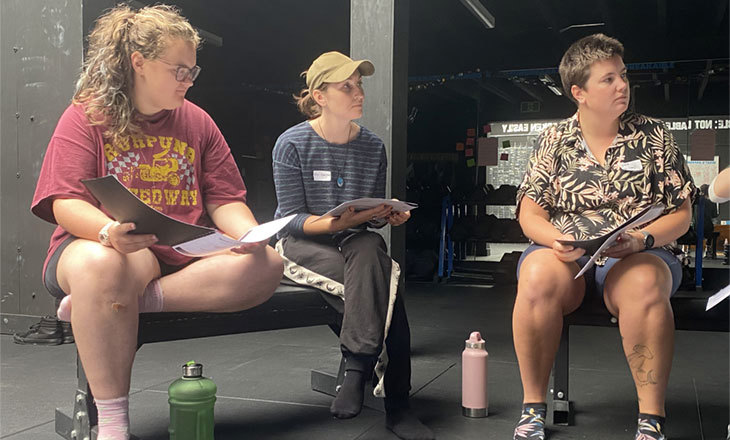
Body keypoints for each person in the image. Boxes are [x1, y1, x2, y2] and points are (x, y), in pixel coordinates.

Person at [30, 5, 283, 440]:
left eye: (193, 71)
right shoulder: (88, 115)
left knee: (267, 266)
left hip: (178, 256)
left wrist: (248, 236)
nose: (188, 80)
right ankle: (112, 425)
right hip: (102, 247)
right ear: (139, 63)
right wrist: (108, 231)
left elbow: (225, 198)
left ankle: (117, 301)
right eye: (179, 70)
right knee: (101, 268)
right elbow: (63, 200)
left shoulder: (198, 121)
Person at [512, 34, 694, 440]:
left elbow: (682, 213)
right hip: (569, 255)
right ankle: (532, 410)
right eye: (608, 79)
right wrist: (556, 238)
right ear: (579, 93)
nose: (622, 85)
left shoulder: (654, 136)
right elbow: (530, 213)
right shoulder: (553, 141)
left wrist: (642, 239)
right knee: (537, 276)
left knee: (645, 282)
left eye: (623, 76)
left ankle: (651, 421)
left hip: (636, 253)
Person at [271, 51, 434, 440]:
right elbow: (289, 217)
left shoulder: (373, 146)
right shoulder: (291, 144)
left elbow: (370, 213)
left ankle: (357, 367)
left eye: (359, 85)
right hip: (303, 242)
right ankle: (397, 404)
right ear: (320, 96)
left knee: (371, 252)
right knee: (387, 282)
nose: (358, 92)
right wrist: (331, 222)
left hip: (354, 239)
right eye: (347, 87)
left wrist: (386, 215)